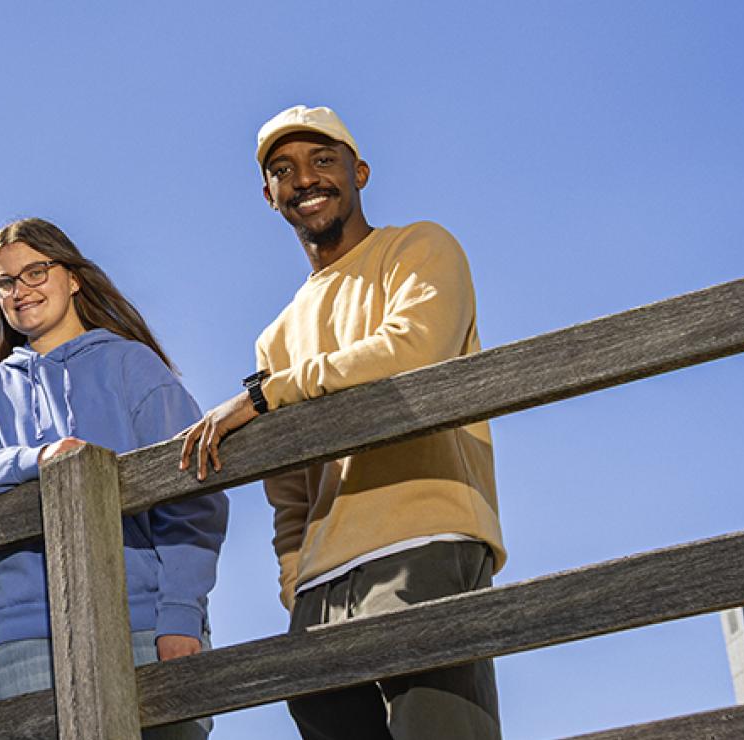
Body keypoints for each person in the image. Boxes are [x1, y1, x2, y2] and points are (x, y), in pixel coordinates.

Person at [178, 105, 504, 740]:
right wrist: (295, 583)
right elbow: (289, 493)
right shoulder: (274, 337)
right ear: (269, 196)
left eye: (322, 160)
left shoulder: (419, 249)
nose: (304, 178)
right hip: (321, 585)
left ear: (360, 172)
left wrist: (266, 394)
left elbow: (412, 351)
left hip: (425, 539)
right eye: (283, 170)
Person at [0, 218, 228, 739]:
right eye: (5, 282)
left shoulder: (132, 366)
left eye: (36, 271)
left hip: (143, 621)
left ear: (73, 278)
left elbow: (194, 498)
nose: (21, 290)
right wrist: (34, 460)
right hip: (27, 640)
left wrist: (180, 614)